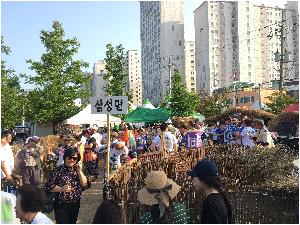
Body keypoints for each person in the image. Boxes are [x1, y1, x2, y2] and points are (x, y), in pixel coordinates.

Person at [44, 147, 90, 224]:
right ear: (65, 157)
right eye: (69, 157)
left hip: (75, 204)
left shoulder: (77, 170)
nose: (71, 160)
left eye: (74, 158)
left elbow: (85, 185)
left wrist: (79, 172)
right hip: (61, 205)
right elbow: (48, 186)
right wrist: (61, 189)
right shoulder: (57, 170)